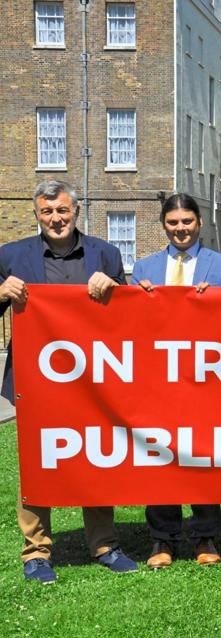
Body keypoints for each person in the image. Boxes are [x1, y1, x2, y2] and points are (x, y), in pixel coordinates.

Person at [0, 180, 136, 583]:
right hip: (33, 381)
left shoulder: (105, 254)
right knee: (39, 465)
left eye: (62, 211)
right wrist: (1, 292)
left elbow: (128, 320)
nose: (55, 218)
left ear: (76, 211)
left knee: (96, 460)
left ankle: (105, 544)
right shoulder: (10, 255)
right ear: (37, 214)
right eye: (47, 211)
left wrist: (113, 288)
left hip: (93, 381)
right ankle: (36, 552)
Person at [131, 193, 221, 569]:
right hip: (159, 383)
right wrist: (140, 300)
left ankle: (205, 536)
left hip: (207, 382)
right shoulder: (143, 268)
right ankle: (162, 540)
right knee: (161, 460)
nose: (181, 229)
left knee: (201, 460)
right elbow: (131, 329)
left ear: (199, 223)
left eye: (187, 222)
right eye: (173, 223)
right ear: (164, 225)